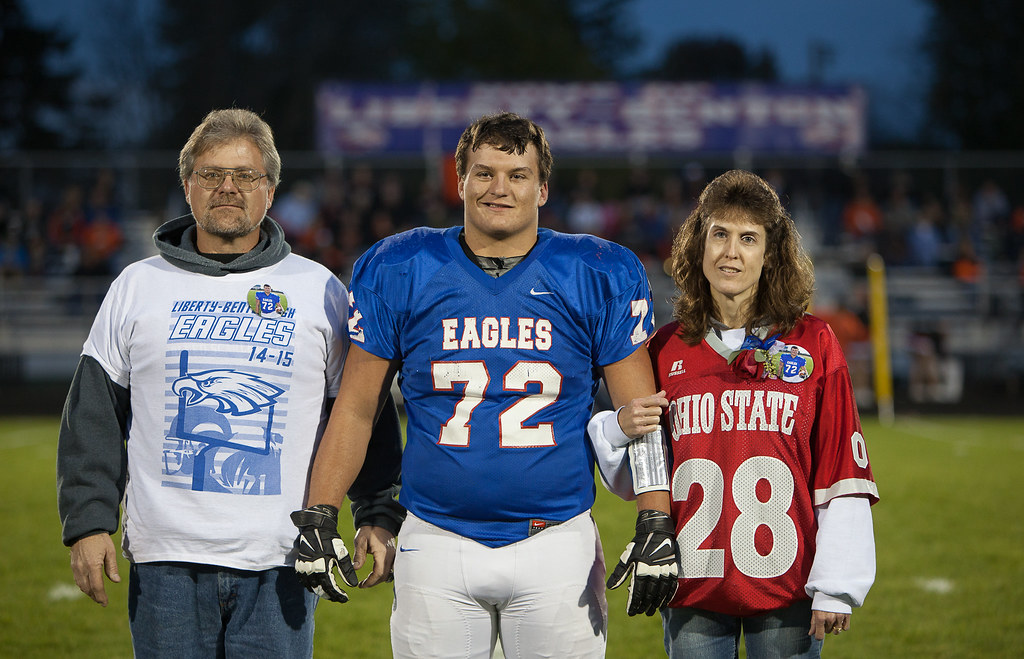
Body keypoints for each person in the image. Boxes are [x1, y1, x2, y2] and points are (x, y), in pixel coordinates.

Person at [290, 111, 678, 658]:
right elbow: (356, 407)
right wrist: (320, 511)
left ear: (543, 188)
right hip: (435, 538)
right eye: (485, 173)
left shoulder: (596, 270)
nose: (500, 188)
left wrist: (655, 518)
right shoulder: (402, 265)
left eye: (518, 175)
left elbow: (643, 411)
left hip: (556, 538)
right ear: (461, 181)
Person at [56, 108, 404, 658]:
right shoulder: (136, 286)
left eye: (245, 176)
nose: (228, 188)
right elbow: (93, 413)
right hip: (165, 559)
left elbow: (361, 413)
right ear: (188, 187)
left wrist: (376, 510)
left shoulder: (319, 290)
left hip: (283, 556)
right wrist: (88, 521)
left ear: (270, 190)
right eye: (211, 174)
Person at [603, 169, 879, 657]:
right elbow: (637, 477)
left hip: (787, 588)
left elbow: (842, 467)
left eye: (748, 238)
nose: (731, 252)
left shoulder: (814, 342)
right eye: (720, 235)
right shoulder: (664, 348)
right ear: (698, 245)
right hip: (691, 582)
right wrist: (613, 428)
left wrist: (837, 583)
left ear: (770, 253)